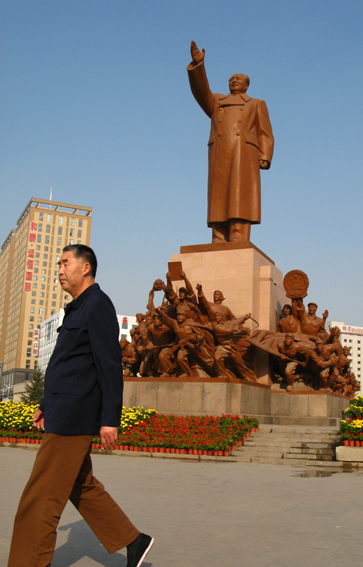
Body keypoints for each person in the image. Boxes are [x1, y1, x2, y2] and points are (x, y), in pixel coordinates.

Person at [7, 245, 153, 567]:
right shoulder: (75, 309)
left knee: (40, 499)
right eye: (58, 263)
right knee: (81, 485)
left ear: (85, 268)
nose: (59, 269)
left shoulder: (98, 306)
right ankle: (134, 541)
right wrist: (46, 403)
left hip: (73, 419)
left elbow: (109, 366)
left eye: (64, 263)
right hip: (62, 410)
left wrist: (110, 419)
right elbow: (67, 365)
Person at [188, 40, 274, 243]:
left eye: (238, 79)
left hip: (243, 153)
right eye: (231, 79)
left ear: (246, 84)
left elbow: (265, 131)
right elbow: (201, 92)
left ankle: (238, 234)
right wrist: (199, 66)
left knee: (239, 195)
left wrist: (265, 155)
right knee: (219, 194)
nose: (234, 81)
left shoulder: (256, 104)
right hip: (220, 152)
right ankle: (218, 235)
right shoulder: (217, 101)